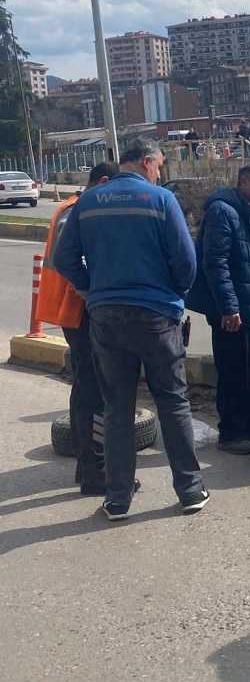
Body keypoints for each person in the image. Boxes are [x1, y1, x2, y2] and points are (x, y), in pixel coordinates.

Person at [53, 140, 210, 521]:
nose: (160, 173)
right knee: (172, 402)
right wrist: (174, 295)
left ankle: (118, 498)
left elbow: (63, 259)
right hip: (156, 315)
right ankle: (190, 490)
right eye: (159, 165)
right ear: (146, 161)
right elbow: (187, 262)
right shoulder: (161, 200)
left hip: (106, 317)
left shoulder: (87, 201)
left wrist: (92, 289)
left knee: (117, 408)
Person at [186, 164, 250, 455]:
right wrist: (228, 307)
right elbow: (215, 263)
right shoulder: (222, 211)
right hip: (232, 312)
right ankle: (231, 433)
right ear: (243, 182)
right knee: (233, 373)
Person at [36, 161, 119, 495]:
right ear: (102, 182)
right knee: (93, 389)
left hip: (77, 310)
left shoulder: (75, 207)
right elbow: (74, 261)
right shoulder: (76, 210)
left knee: (86, 384)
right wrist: (94, 291)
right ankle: (94, 470)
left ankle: (88, 465)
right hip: (79, 310)